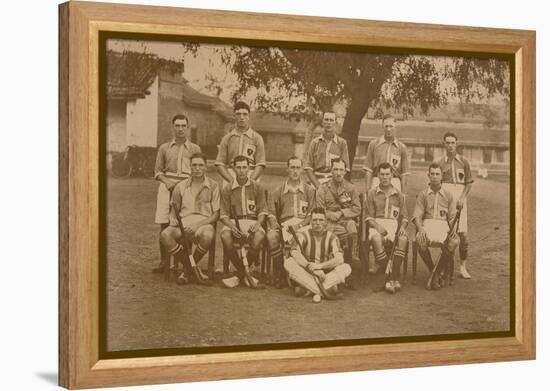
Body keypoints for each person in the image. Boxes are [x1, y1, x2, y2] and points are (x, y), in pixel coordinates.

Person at [160, 153, 220, 285]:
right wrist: (173, 218)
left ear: (206, 167)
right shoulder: (180, 186)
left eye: (200, 165)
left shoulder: (214, 186)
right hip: (184, 222)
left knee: (208, 235)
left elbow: (216, 215)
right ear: (190, 167)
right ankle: (192, 269)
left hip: (204, 222)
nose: (197, 168)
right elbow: (173, 209)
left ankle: (187, 271)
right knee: (165, 235)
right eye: (194, 165)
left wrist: (198, 224)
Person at [152, 114, 201, 273]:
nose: (180, 129)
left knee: (187, 223)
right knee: (165, 224)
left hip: (187, 188)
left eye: (183, 126)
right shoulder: (164, 148)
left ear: (188, 128)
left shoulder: (194, 148)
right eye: (177, 126)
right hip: (167, 187)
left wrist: (185, 187)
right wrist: (168, 183)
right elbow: (158, 171)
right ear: (173, 127)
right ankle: (164, 261)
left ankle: (188, 261)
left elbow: (197, 172)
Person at [266, 156, 316, 288]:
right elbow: (270, 212)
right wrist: (275, 224)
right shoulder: (278, 191)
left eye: (298, 168)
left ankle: (303, 275)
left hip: (304, 225)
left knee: (304, 239)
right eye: (292, 167)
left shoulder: (309, 191)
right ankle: (280, 273)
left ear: (302, 170)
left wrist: (299, 225)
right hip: (285, 225)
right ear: (287, 169)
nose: (295, 171)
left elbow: (312, 214)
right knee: (271, 236)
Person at [219, 155, 268, 288]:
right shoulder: (227, 188)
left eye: (244, 167)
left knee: (259, 236)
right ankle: (245, 273)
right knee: (225, 236)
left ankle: (238, 275)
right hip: (234, 223)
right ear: (233, 169)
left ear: (249, 169)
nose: (241, 170)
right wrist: (232, 226)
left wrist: (258, 224)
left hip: (252, 221)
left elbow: (263, 211)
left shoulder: (257, 187)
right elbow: (223, 214)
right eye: (238, 167)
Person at [284, 207, 351, 303]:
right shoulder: (303, 235)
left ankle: (309, 289)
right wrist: (309, 267)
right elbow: (294, 253)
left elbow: (339, 259)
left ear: (326, 222)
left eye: (321, 220)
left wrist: (319, 266)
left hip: (325, 275)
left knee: (346, 267)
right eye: (315, 220)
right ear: (310, 222)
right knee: (289, 262)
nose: (318, 223)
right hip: (307, 272)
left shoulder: (332, 237)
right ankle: (323, 290)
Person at [412, 163, 460, 290]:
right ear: (428, 175)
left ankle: (436, 273)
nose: (434, 177)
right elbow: (417, 215)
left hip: (443, 226)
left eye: (437, 174)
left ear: (441, 176)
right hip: (428, 224)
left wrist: (453, 230)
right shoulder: (423, 194)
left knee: (454, 241)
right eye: (432, 174)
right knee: (420, 239)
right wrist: (421, 229)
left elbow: (452, 217)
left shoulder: (449, 195)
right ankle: (436, 273)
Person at [315, 158, 361, 288]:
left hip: (345, 221)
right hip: (328, 223)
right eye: (335, 169)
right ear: (331, 170)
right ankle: (328, 269)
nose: (338, 173)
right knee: (327, 235)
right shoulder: (323, 188)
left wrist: (341, 213)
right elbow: (319, 208)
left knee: (352, 226)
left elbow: (357, 208)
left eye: (341, 169)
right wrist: (330, 215)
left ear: (345, 172)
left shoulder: (351, 188)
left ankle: (353, 259)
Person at [365, 162, 409, 293]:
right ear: (378, 175)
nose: (384, 177)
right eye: (382, 174)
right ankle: (392, 278)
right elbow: (368, 217)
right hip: (377, 223)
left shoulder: (399, 195)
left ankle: (392, 277)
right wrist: (378, 227)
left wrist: (402, 227)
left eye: (387, 174)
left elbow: (405, 216)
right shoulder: (372, 193)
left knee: (403, 239)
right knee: (377, 239)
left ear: (392, 175)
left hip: (394, 224)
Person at [436, 132, 474, 279]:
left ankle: (463, 267)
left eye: (453, 143)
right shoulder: (440, 162)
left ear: (456, 144)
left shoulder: (463, 162)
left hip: (460, 199)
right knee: (446, 233)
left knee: (463, 235)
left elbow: (469, 183)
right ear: (444, 144)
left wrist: (462, 198)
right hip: (445, 199)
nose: (450, 146)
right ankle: (445, 265)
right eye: (447, 143)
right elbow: (436, 183)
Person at [215, 101, 266, 183]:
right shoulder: (227, 138)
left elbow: (260, 164)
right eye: (238, 114)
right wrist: (231, 181)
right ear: (234, 116)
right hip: (231, 173)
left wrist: (250, 180)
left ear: (249, 116)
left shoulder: (257, 138)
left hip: (251, 172)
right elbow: (219, 164)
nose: (242, 117)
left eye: (245, 114)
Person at [363, 114, 410, 193]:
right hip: (377, 180)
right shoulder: (374, 144)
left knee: (394, 205)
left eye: (391, 126)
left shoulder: (401, 147)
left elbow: (404, 174)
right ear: (382, 127)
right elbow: (368, 170)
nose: (388, 129)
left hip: (395, 181)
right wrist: (367, 192)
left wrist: (403, 195)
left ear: (395, 127)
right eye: (386, 126)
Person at [304, 111, 351, 189]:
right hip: (317, 181)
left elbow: (345, 168)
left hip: (336, 181)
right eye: (326, 120)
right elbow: (308, 168)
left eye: (331, 120)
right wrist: (318, 187)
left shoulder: (342, 143)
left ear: (335, 123)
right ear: (322, 122)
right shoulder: (315, 142)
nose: (328, 123)